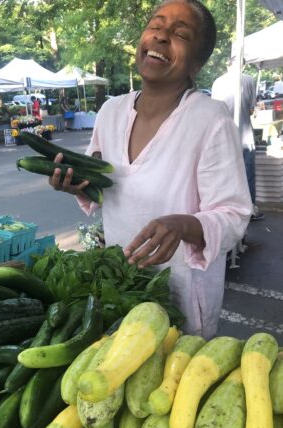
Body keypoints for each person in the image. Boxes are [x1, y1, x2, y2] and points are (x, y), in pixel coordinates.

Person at [48, 0, 252, 339]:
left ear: (196, 64)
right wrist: (76, 185)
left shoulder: (210, 120)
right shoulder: (111, 112)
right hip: (121, 287)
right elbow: (103, 185)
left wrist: (185, 225)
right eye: (156, 25)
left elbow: (234, 215)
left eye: (179, 34)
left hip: (183, 296)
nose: (160, 36)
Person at [212, 57, 263, 221]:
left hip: (222, 137)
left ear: (228, 66)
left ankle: (226, 213)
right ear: (242, 66)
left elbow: (214, 110)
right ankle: (250, 210)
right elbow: (250, 109)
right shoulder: (248, 79)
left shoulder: (217, 82)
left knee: (223, 175)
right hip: (244, 135)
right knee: (247, 175)